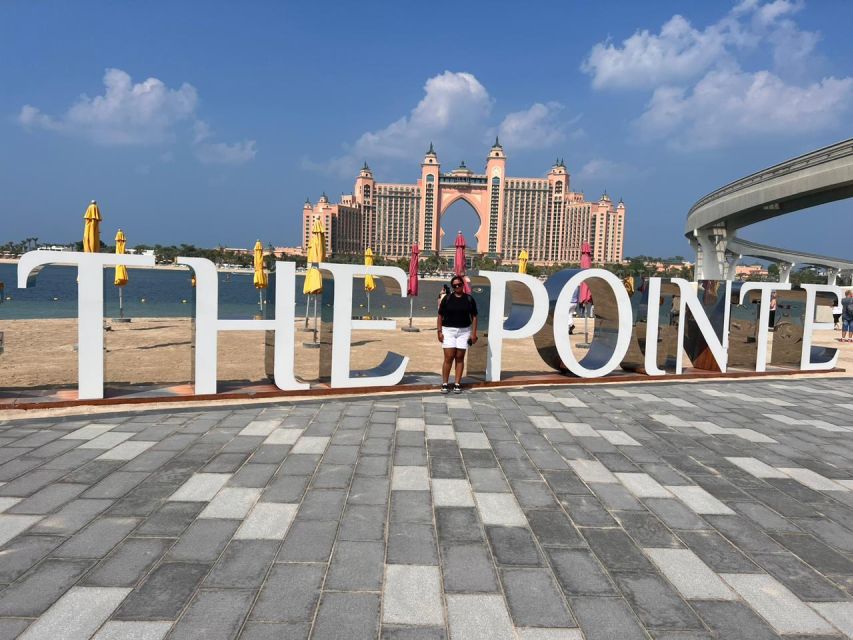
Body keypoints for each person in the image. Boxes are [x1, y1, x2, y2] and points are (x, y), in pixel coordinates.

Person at [437, 275, 478, 394]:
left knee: (460, 358)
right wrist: (439, 331)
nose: (457, 287)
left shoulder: (469, 299)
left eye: (459, 285)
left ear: (463, 285)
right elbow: (440, 315)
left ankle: (457, 384)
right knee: (448, 357)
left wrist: (474, 333)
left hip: (464, 331)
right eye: (454, 286)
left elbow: (474, 316)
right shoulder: (447, 299)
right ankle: (445, 383)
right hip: (448, 331)